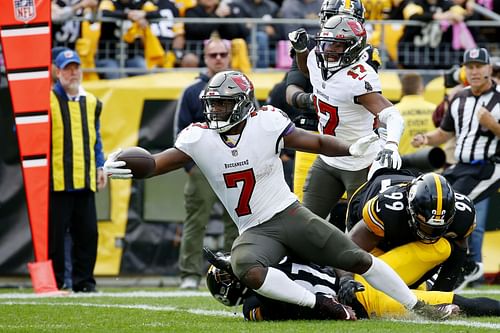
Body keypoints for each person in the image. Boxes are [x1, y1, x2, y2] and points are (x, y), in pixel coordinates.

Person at [105, 70, 454, 320]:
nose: (216, 112)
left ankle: (416, 306)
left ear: (242, 105)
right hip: (254, 229)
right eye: (213, 104)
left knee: (356, 258)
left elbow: (314, 141)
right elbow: (153, 164)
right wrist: (123, 161)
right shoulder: (200, 138)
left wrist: (352, 146)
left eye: (224, 105)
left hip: (289, 214)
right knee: (246, 268)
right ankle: (320, 304)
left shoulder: (266, 123)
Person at [288, 14, 405, 226]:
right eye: (326, 43)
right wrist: (301, 51)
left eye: (336, 45)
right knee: (305, 224)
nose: (328, 49)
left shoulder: (358, 79)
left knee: (360, 229)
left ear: (353, 47)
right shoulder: (317, 57)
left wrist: (392, 146)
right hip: (328, 158)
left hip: (361, 162)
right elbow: (308, 70)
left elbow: (393, 115)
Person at [411, 47, 500, 288]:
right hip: (459, 166)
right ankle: (448, 265)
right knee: (432, 202)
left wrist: (493, 125)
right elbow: (444, 132)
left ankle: (467, 265)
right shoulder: (459, 98)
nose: (474, 71)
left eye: (479, 66)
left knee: (453, 208)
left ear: (489, 68)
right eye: (469, 67)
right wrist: (425, 139)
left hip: (488, 167)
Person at [205, 250, 500, 321]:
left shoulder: (274, 250)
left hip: (358, 277)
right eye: (233, 271)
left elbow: (330, 249)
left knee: (437, 251)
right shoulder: (254, 306)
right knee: (439, 302)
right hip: (363, 301)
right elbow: (281, 304)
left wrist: (345, 278)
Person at [175, 37, 238, 290]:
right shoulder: (192, 91)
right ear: (205, 58)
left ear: (230, 56)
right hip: (201, 166)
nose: (219, 59)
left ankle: (236, 269)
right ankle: (189, 274)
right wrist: (189, 167)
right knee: (195, 221)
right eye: (214, 55)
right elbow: (179, 132)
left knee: (237, 220)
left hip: (234, 163)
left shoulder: (240, 87)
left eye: (223, 54)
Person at [346, 168, 476, 292]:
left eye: (438, 228)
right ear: (411, 210)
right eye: (427, 226)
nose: (431, 234)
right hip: (365, 214)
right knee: (368, 287)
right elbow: (348, 249)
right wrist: (346, 280)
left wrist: (441, 293)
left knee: (444, 248)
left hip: (400, 220)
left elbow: (458, 253)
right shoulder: (387, 212)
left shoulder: (463, 215)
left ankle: (420, 284)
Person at [49, 50, 107, 292]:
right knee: (55, 237)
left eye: (76, 67)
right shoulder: (46, 100)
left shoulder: (92, 101)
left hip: (84, 178)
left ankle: (85, 283)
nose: (73, 73)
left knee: (88, 234)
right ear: (57, 71)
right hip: (56, 180)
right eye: (67, 68)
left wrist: (100, 165)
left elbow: (96, 138)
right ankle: (57, 282)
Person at [395, 73, 437, 155]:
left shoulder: (394, 111)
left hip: (403, 163)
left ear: (402, 89)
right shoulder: (435, 110)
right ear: (421, 88)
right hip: (432, 162)